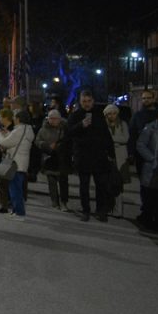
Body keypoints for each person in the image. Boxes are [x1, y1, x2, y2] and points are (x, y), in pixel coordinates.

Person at [66, 89, 115, 222]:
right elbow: (69, 133)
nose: (86, 104)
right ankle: (85, 210)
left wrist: (110, 153)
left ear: (93, 101)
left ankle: (100, 210)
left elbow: (106, 134)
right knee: (84, 185)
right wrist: (81, 125)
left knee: (101, 185)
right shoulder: (75, 115)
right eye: (84, 101)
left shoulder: (99, 114)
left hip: (99, 156)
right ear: (80, 101)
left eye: (89, 101)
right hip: (83, 155)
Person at [0, 108, 35, 221]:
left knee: (15, 190)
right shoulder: (26, 129)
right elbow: (14, 140)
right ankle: (16, 211)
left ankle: (20, 213)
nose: (13, 118)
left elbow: (5, 142)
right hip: (21, 163)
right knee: (16, 189)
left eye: (14, 117)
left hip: (16, 163)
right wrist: (7, 133)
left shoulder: (20, 130)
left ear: (18, 119)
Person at [36, 109, 71, 211]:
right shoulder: (43, 129)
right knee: (52, 182)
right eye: (51, 118)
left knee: (63, 182)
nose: (53, 120)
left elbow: (69, 141)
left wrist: (61, 146)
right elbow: (37, 141)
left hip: (62, 159)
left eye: (55, 118)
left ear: (59, 119)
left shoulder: (65, 129)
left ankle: (64, 202)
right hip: (49, 158)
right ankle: (55, 202)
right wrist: (45, 145)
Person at [103, 103, 130, 218]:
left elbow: (126, 138)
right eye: (109, 114)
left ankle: (119, 210)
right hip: (108, 157)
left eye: (114, 113)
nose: (112, 116)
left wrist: (111, 140)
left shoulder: (123, 124)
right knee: (108, 183)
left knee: (119, 184)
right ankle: (109, 207)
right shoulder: (104, 125)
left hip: (121, 157)